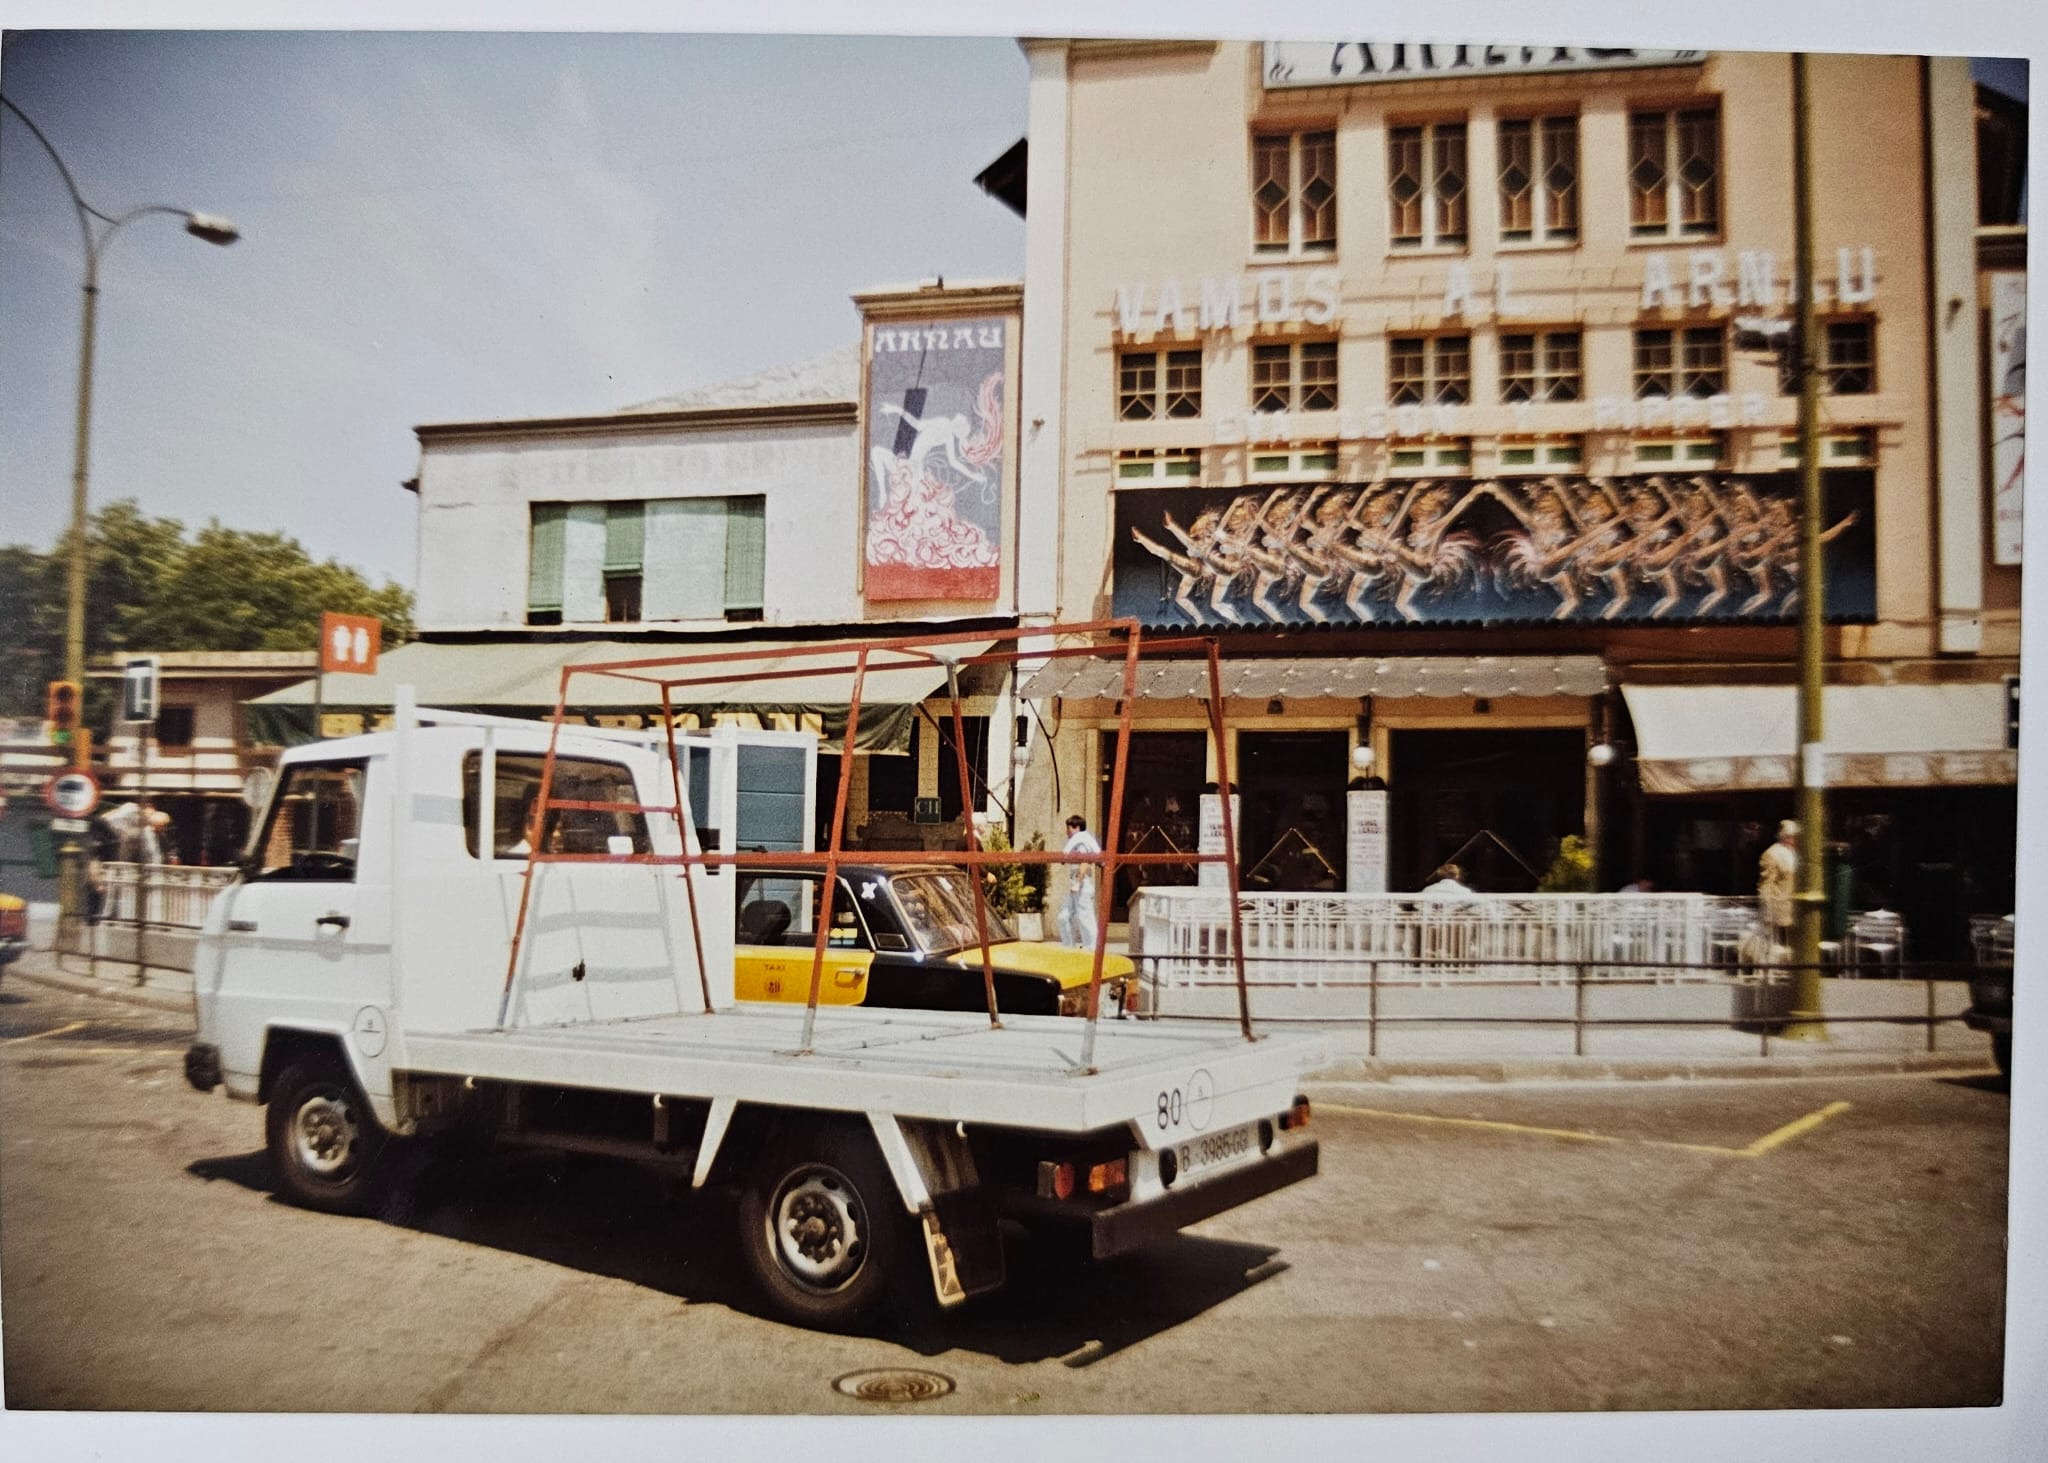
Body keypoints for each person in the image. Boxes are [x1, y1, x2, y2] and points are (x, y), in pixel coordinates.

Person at [1056, 813, 1103, 949]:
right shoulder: (1078, 843)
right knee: (1063, 917)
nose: (1067, 832)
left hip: (1082, 885)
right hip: (1075, 885)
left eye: (1068, 828)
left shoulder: (1082, 842)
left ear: (1076, 828)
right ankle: (1069, 947)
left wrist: (1078, 883)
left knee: (1085, 920)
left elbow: (1085, 862)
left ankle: (1092, 950)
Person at [1757, 819, 1799, 948]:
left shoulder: (1796, 854)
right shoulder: (1771, 854)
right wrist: (1767, 915)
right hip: (1780, 912)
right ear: (1786, 837)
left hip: (1796, 911)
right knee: (1778, 948)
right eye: (1793, 837)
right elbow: (1766, 886)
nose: (1796, 840)